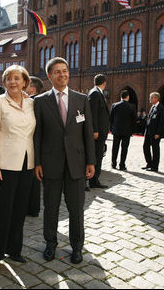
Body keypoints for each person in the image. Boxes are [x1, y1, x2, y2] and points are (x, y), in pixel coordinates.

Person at [34, 57, 95, 265]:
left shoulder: (81, 99)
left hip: (77, 165)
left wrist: (91, 162)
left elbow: (87, 133)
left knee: (76, 210)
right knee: (50, 208)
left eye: (65, 71)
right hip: (50, 165)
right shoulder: (40, 101)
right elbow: (37, 135)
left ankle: (77, 247)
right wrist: (38, 162)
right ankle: (50, 244)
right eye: (57, 72)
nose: (62, 75)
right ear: (49, 76)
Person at [0, 65, 36, 272]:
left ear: (25, 82)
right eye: (8, 79)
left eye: (17, 78)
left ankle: (14, 250)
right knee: (3, 211)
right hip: (4, 165)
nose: (13, 82)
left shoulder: (32, 103)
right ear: (4, 82)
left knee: (19, 211)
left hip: (27, 164)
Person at [86, 74, 110, 190]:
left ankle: (94, 181)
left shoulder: (97, 92)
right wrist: (94, 130)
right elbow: (92, 113)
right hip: (98, 133)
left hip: (101, 132)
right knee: (95, 156)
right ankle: (90, 180)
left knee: (98, 156)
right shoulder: (95, 93)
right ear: (104, 83)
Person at [26, 76, 44, 217]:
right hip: (39, 145)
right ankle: (34, 207)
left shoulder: (32, 101)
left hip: (31, 144)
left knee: (31, 178)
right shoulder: (42, 100)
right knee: (35, 180)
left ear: (32, 88)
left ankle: (31, 207)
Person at [110, 90, 137, 171]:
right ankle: (122, 165)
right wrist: (133, 131)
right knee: (124, 148)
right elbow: (134, 120)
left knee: (115, 148)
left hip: (116, 130)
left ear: (121, 96)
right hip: (127, 131)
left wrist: (111, 128)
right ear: (127, 97)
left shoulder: (114, 105)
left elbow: (111, 118)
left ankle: (113, 164)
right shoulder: (132, 106)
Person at [142, 92, 164, 172]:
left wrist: (158, 133)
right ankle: (149, 163)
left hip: (155, 133)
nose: (150, 99)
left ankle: (155, 167)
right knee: (145, 147)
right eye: (150, 97)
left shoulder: (161, 108)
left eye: (151, 97)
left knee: (155, 149)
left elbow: (161, 122)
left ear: (156, 98)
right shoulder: (152, 107)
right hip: (148, 132)